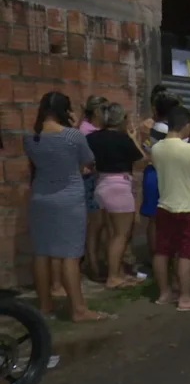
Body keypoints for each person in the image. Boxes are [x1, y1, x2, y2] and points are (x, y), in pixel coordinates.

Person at [25, 91, 108, 322]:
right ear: (66, 110)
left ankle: (45, 305)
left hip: (40, 198)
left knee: (41, 252)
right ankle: (79, 309)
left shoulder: (32, 138)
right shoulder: (73, 136)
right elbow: (88, 160)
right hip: (69, 198)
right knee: (70, 254)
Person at [150, 105, 190, 312]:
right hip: (189, 207)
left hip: (165, 205)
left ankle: (164, 293)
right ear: (187, 125)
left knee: (162, 250)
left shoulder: (156, 148)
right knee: (186, 253)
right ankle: (185, 298)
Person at [87, 102, 146, 288]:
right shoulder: (122, 138)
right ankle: (113, 277)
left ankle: (117, 272)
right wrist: (133, 137)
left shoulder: (92, 138)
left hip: (101, 185)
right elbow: (142, 160)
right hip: (119, 186)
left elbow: (88, 161)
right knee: (121, 235)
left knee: (111, 233)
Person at [139, 88, 183, 263]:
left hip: (154, 173)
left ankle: (157, 257)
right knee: (162, 220)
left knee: (155, 219)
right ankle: (162, 258)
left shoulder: (154, 127)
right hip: (163, 175)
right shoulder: (165, 130)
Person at [78, 95, 108, 283]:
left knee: (100, 224)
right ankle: (93, 264)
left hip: (97, 178)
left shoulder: (94, 129)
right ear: (97, 111)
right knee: (95, 224)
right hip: (89, 178)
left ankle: (96, 261)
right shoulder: (86, 132)